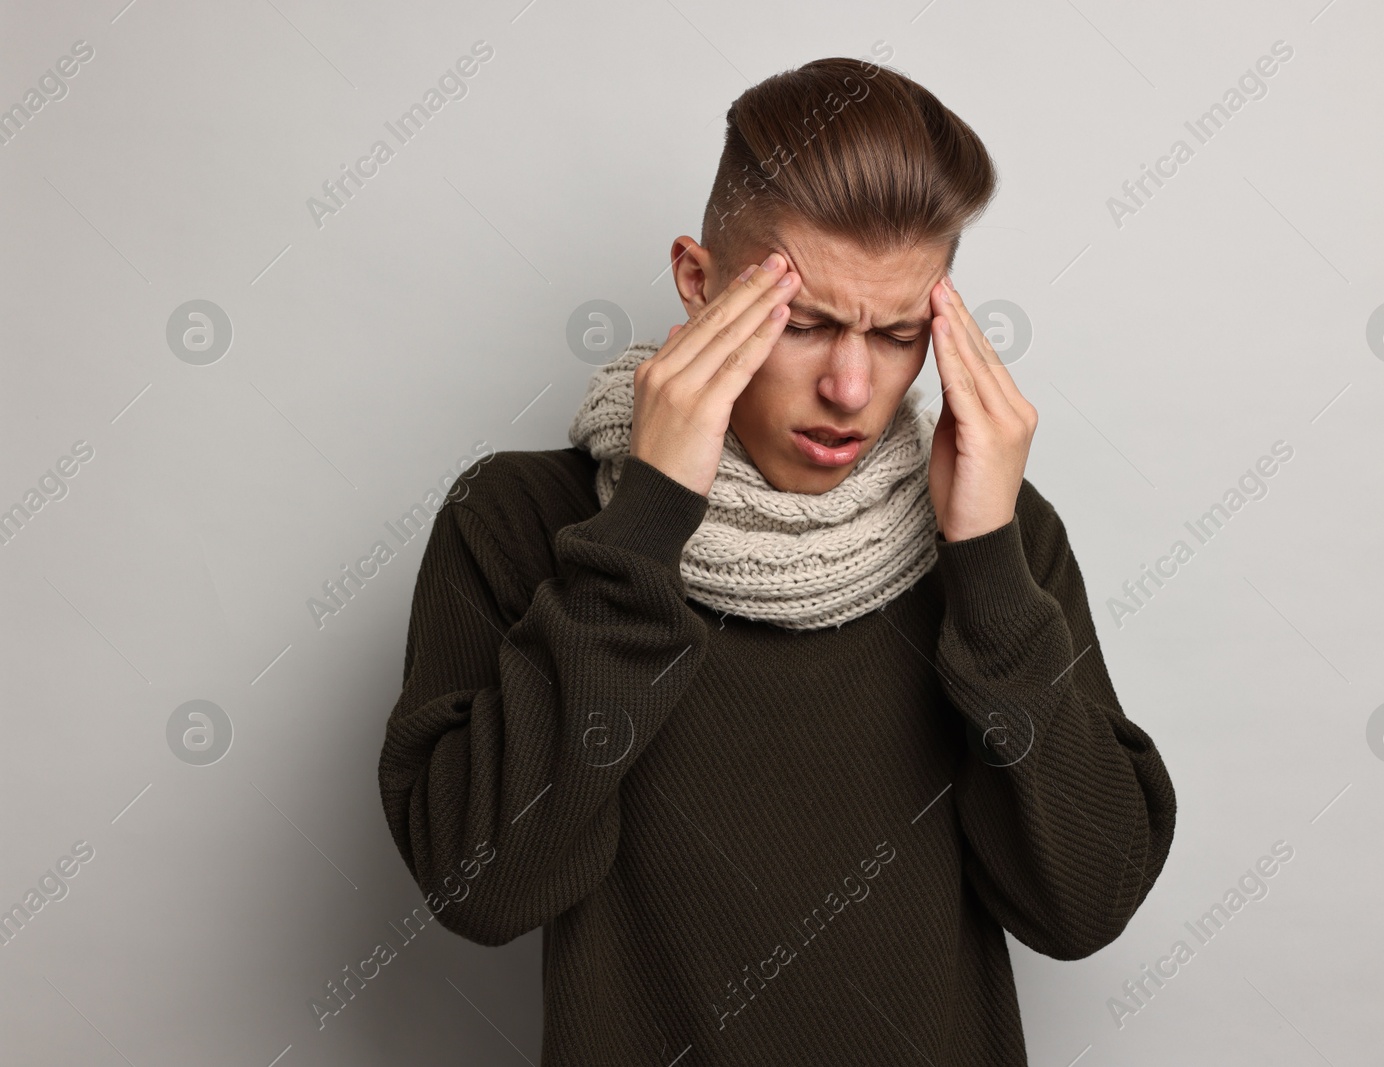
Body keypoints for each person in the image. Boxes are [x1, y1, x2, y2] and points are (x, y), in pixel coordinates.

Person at [378, 55, 1176, 1065]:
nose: (850, 386)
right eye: (803, 324)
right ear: (697, 283)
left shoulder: (994, 536)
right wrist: (644, 527)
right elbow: (478, 884)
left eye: (895, 335)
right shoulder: (522, 520)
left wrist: (984, 563)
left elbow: (1085, 901)